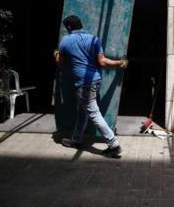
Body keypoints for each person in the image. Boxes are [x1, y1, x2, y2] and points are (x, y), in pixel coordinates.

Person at [54, 15, 128, 158]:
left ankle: (114, 145)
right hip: (96, 80)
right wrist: (120, 62)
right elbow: (102, 61)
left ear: (69, 27)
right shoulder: (93, 39)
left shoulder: (66, 41)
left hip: (83, 84)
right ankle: (76, 140)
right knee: (83, 112)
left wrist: (56, 53)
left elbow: (61, 63)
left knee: (93, 113)